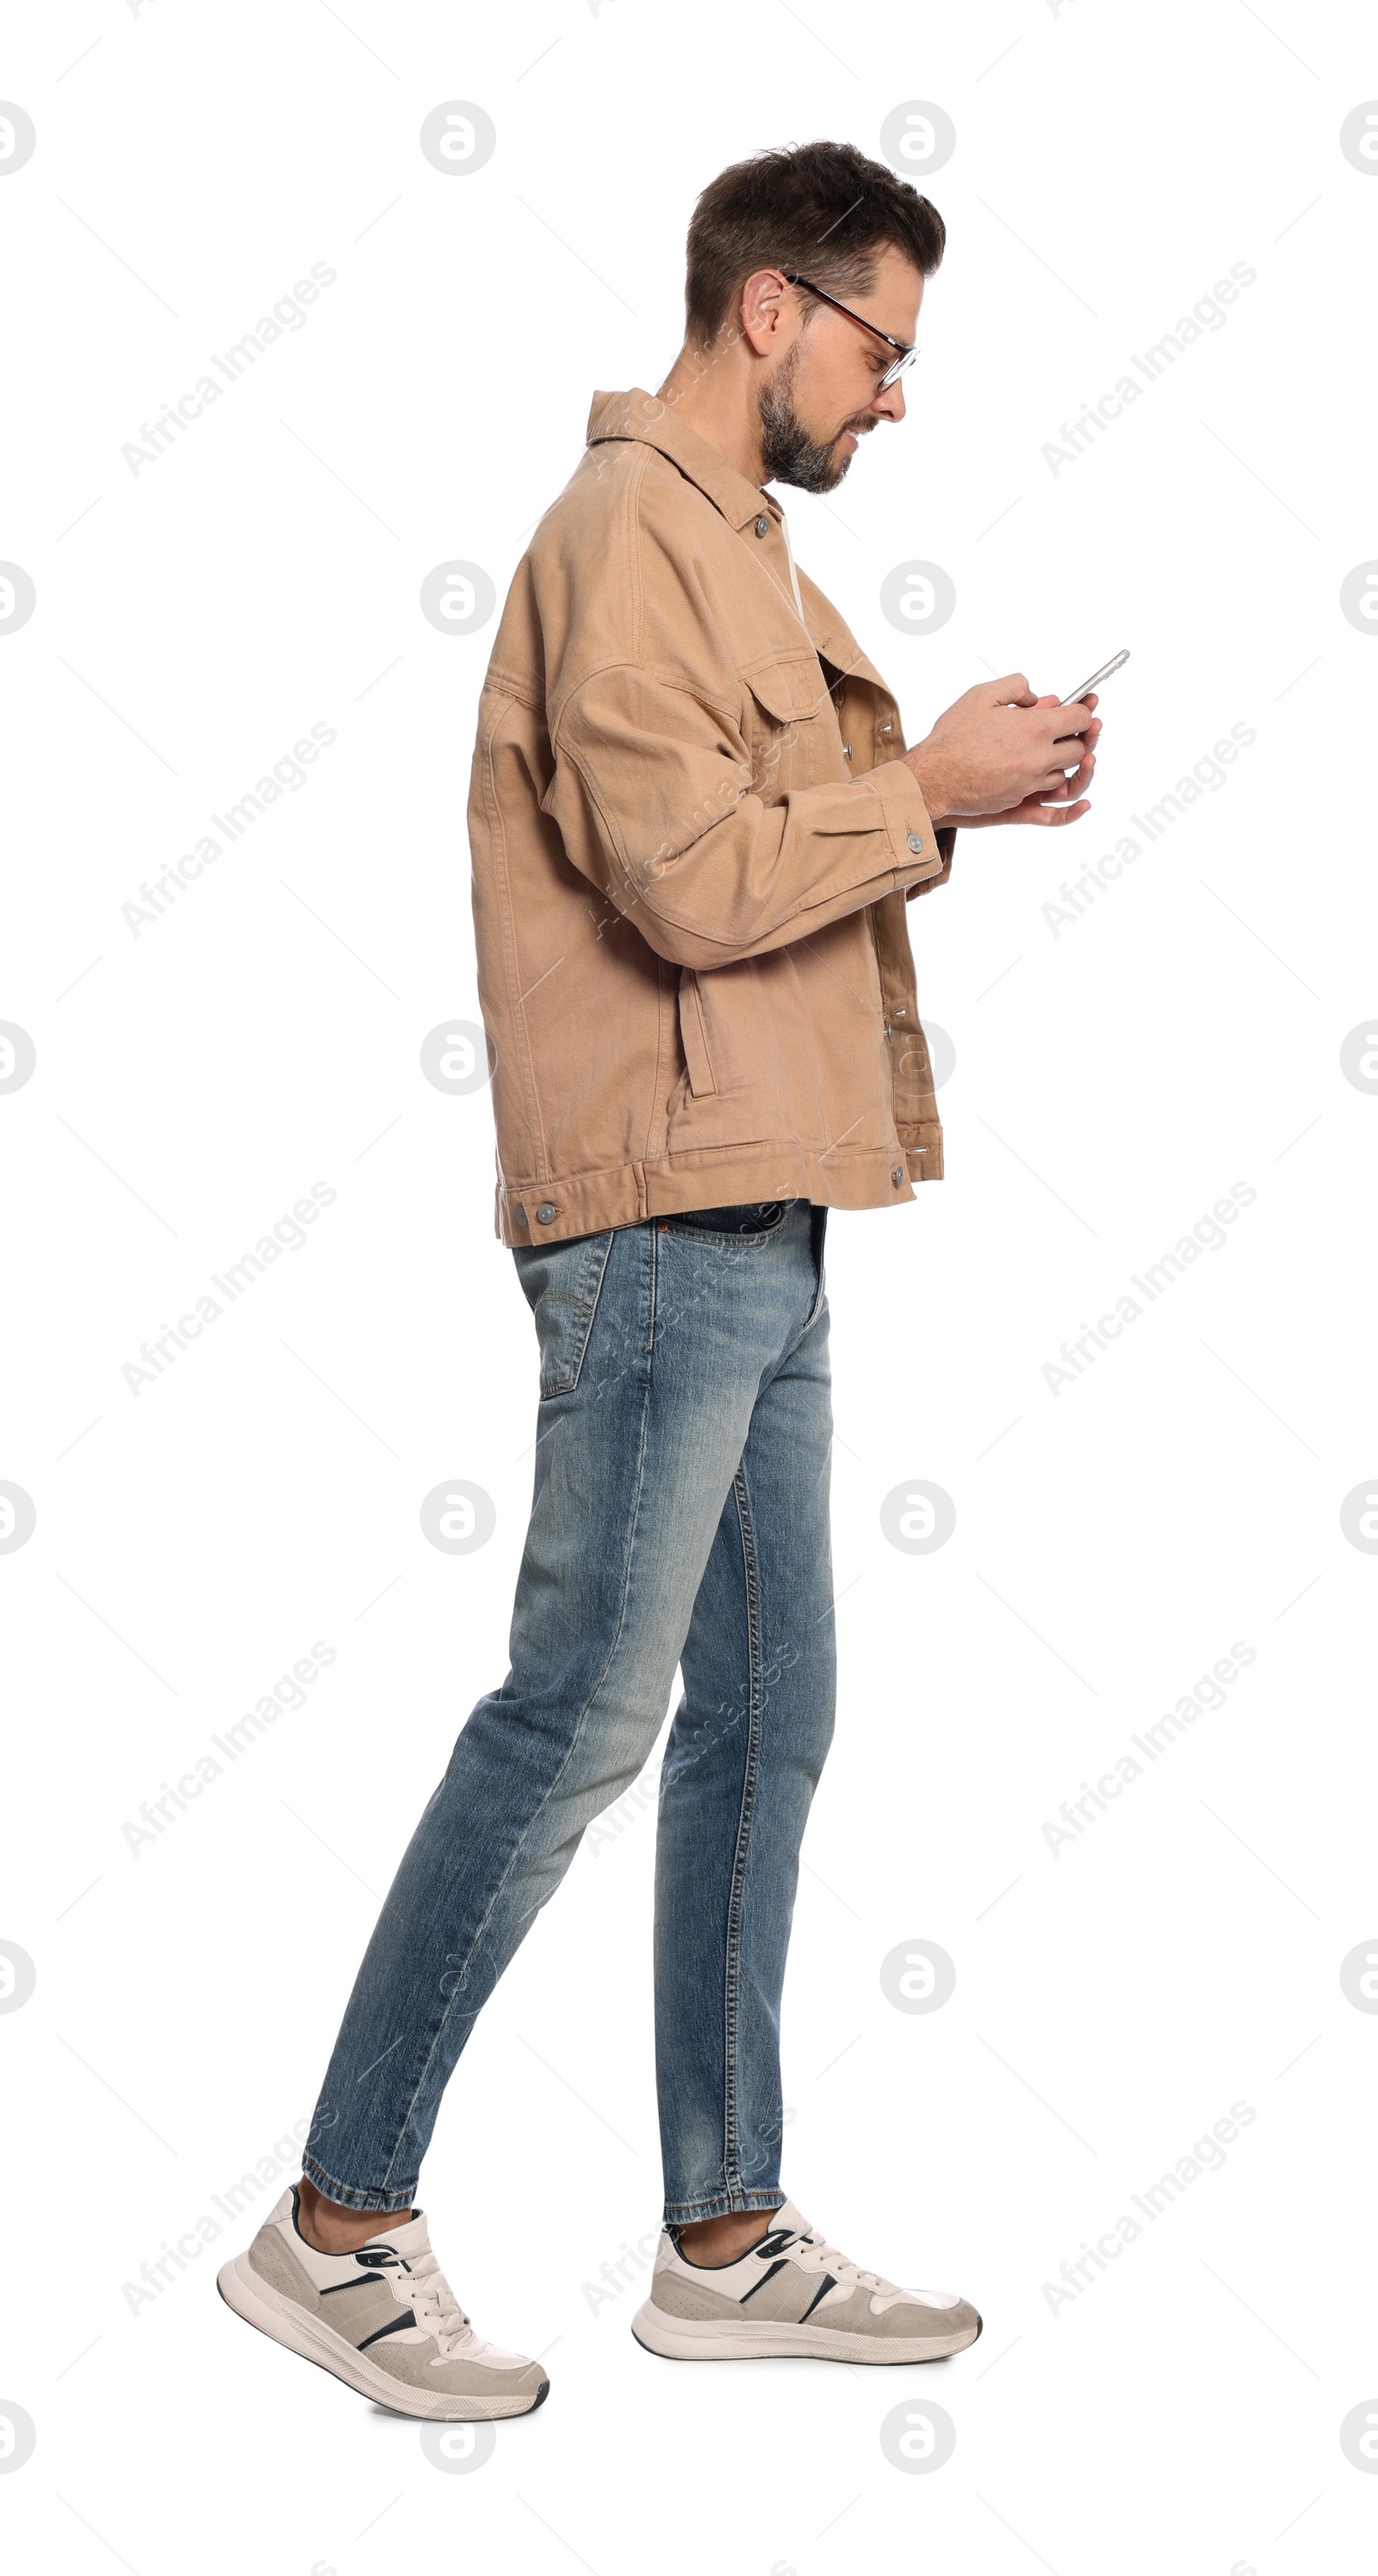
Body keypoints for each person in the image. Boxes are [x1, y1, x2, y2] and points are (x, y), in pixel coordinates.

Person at [218, 138, 1101, 2418]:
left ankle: (721, 2230)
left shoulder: (743, 554)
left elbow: (771, 858)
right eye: (886, 349)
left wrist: (948, 786)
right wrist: (935, 788)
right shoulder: (626, 537)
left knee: (769, 1712)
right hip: (658, 1221)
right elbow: (691, 885)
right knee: (580, 1717)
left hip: (768, 1205)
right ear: (771, 313)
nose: (898, 398)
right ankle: (337, 2224)